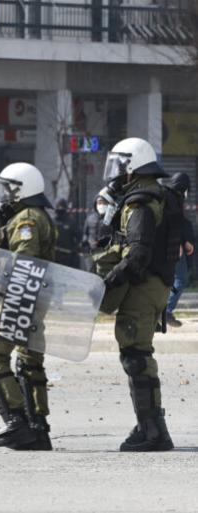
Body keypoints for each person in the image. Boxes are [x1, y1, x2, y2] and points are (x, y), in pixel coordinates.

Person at [98, 137, 181, 452]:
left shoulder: (140, 202)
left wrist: (108, 281)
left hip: (143, 286)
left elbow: (138, 254)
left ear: (132, 167)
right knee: (137, 354)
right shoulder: (154, 194)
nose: (115, 173)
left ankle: (153, 432)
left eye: (119, 165)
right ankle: (148, 424)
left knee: (136, 356)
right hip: (154, 285)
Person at [0, 162, 56, 451]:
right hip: (33, 299)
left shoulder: (27, 220)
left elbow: (25, 263)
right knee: (29, 361)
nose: (4, 195)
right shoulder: (35, 215)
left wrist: (12, 296)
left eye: (9, 189)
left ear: (23, 190)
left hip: (20, 299)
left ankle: (16, 422)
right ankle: (37, 429)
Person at [161, 173, 194, 328]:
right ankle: (166, 311)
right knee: (180, 279)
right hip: (173, 245)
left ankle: (163, 311)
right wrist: (179, 243)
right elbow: (171, 224)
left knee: (171, 279)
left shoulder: (171, 197)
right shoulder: (172, 199)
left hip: (172, 244)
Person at [54, 199, 81, 269]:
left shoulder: (71, 222)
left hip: (68, 256)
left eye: (61, 207)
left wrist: (74, 249)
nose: (59, 209)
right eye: (58, 207)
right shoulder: (52, 221)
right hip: (55, 255)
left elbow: (79, 236)